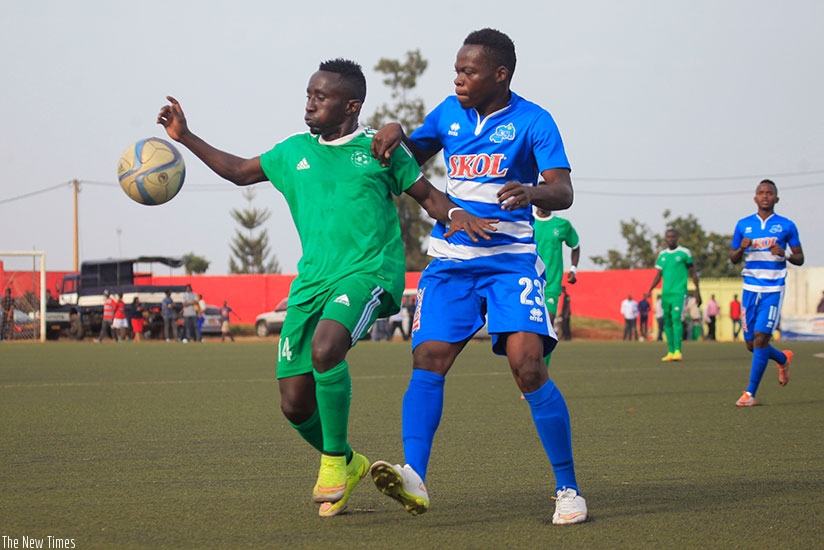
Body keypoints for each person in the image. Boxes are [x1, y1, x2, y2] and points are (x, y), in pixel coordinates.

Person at [157, 58, 494, 517]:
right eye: (309, 95)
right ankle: (351, 462)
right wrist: (185, 136)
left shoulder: (380, 149)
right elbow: (238, 170)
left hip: (368, 274)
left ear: (351, 105)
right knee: (294, 403)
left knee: (326, 347)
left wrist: (456, 216)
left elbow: (429, 196)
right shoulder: (292, 151)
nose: (311, 103)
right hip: (311, 282)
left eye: (321, 97)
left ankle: (333, 462)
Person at [368, 28, 587, 525]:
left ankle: (568, 488)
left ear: (500, 74)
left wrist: (532, 193)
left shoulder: (535, 121)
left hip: (511, 261)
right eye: (457, 70)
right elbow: (404, 158)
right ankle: (414, 478)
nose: (458, 78)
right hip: (451, 260)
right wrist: (395, 126)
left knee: (528, 366)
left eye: (468, 71)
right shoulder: (448, 112)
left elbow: (564, 190)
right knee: (429, 357)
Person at [730, 179, 804, 407]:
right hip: (750, 289)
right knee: (751, 344)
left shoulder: (786, 225)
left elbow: (800, 259)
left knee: (762, 339)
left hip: (773, 289)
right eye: (761, 193)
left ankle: (750, 393)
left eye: (769, 193)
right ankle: (782, 358)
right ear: (755, 198)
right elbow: (732, 258)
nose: (765, 196)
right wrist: (741, 248)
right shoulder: (744, 225)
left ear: (776, 198)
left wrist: (786, 254)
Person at [533, 203, 579, 363]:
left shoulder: (562, 225)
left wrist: (573, 269)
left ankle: (542, 371)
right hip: (528, 283)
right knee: (529, 330)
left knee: (547, 325)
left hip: (551, 284)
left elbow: (576, 246)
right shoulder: (527, 221)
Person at [647, 229, 701, 362]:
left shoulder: (684, 253)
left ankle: (678, 350)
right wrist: (650, 289)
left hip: (679, 292)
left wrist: (697, 291)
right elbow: (658, 275)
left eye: (673, 236)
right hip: (666, 293)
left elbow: (693, 272)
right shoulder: (662, 255)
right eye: (668, 237)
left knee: (677, 318)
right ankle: (670, 351)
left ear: (677, 238)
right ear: (665, 239)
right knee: (667, 321)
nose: (670, 239)